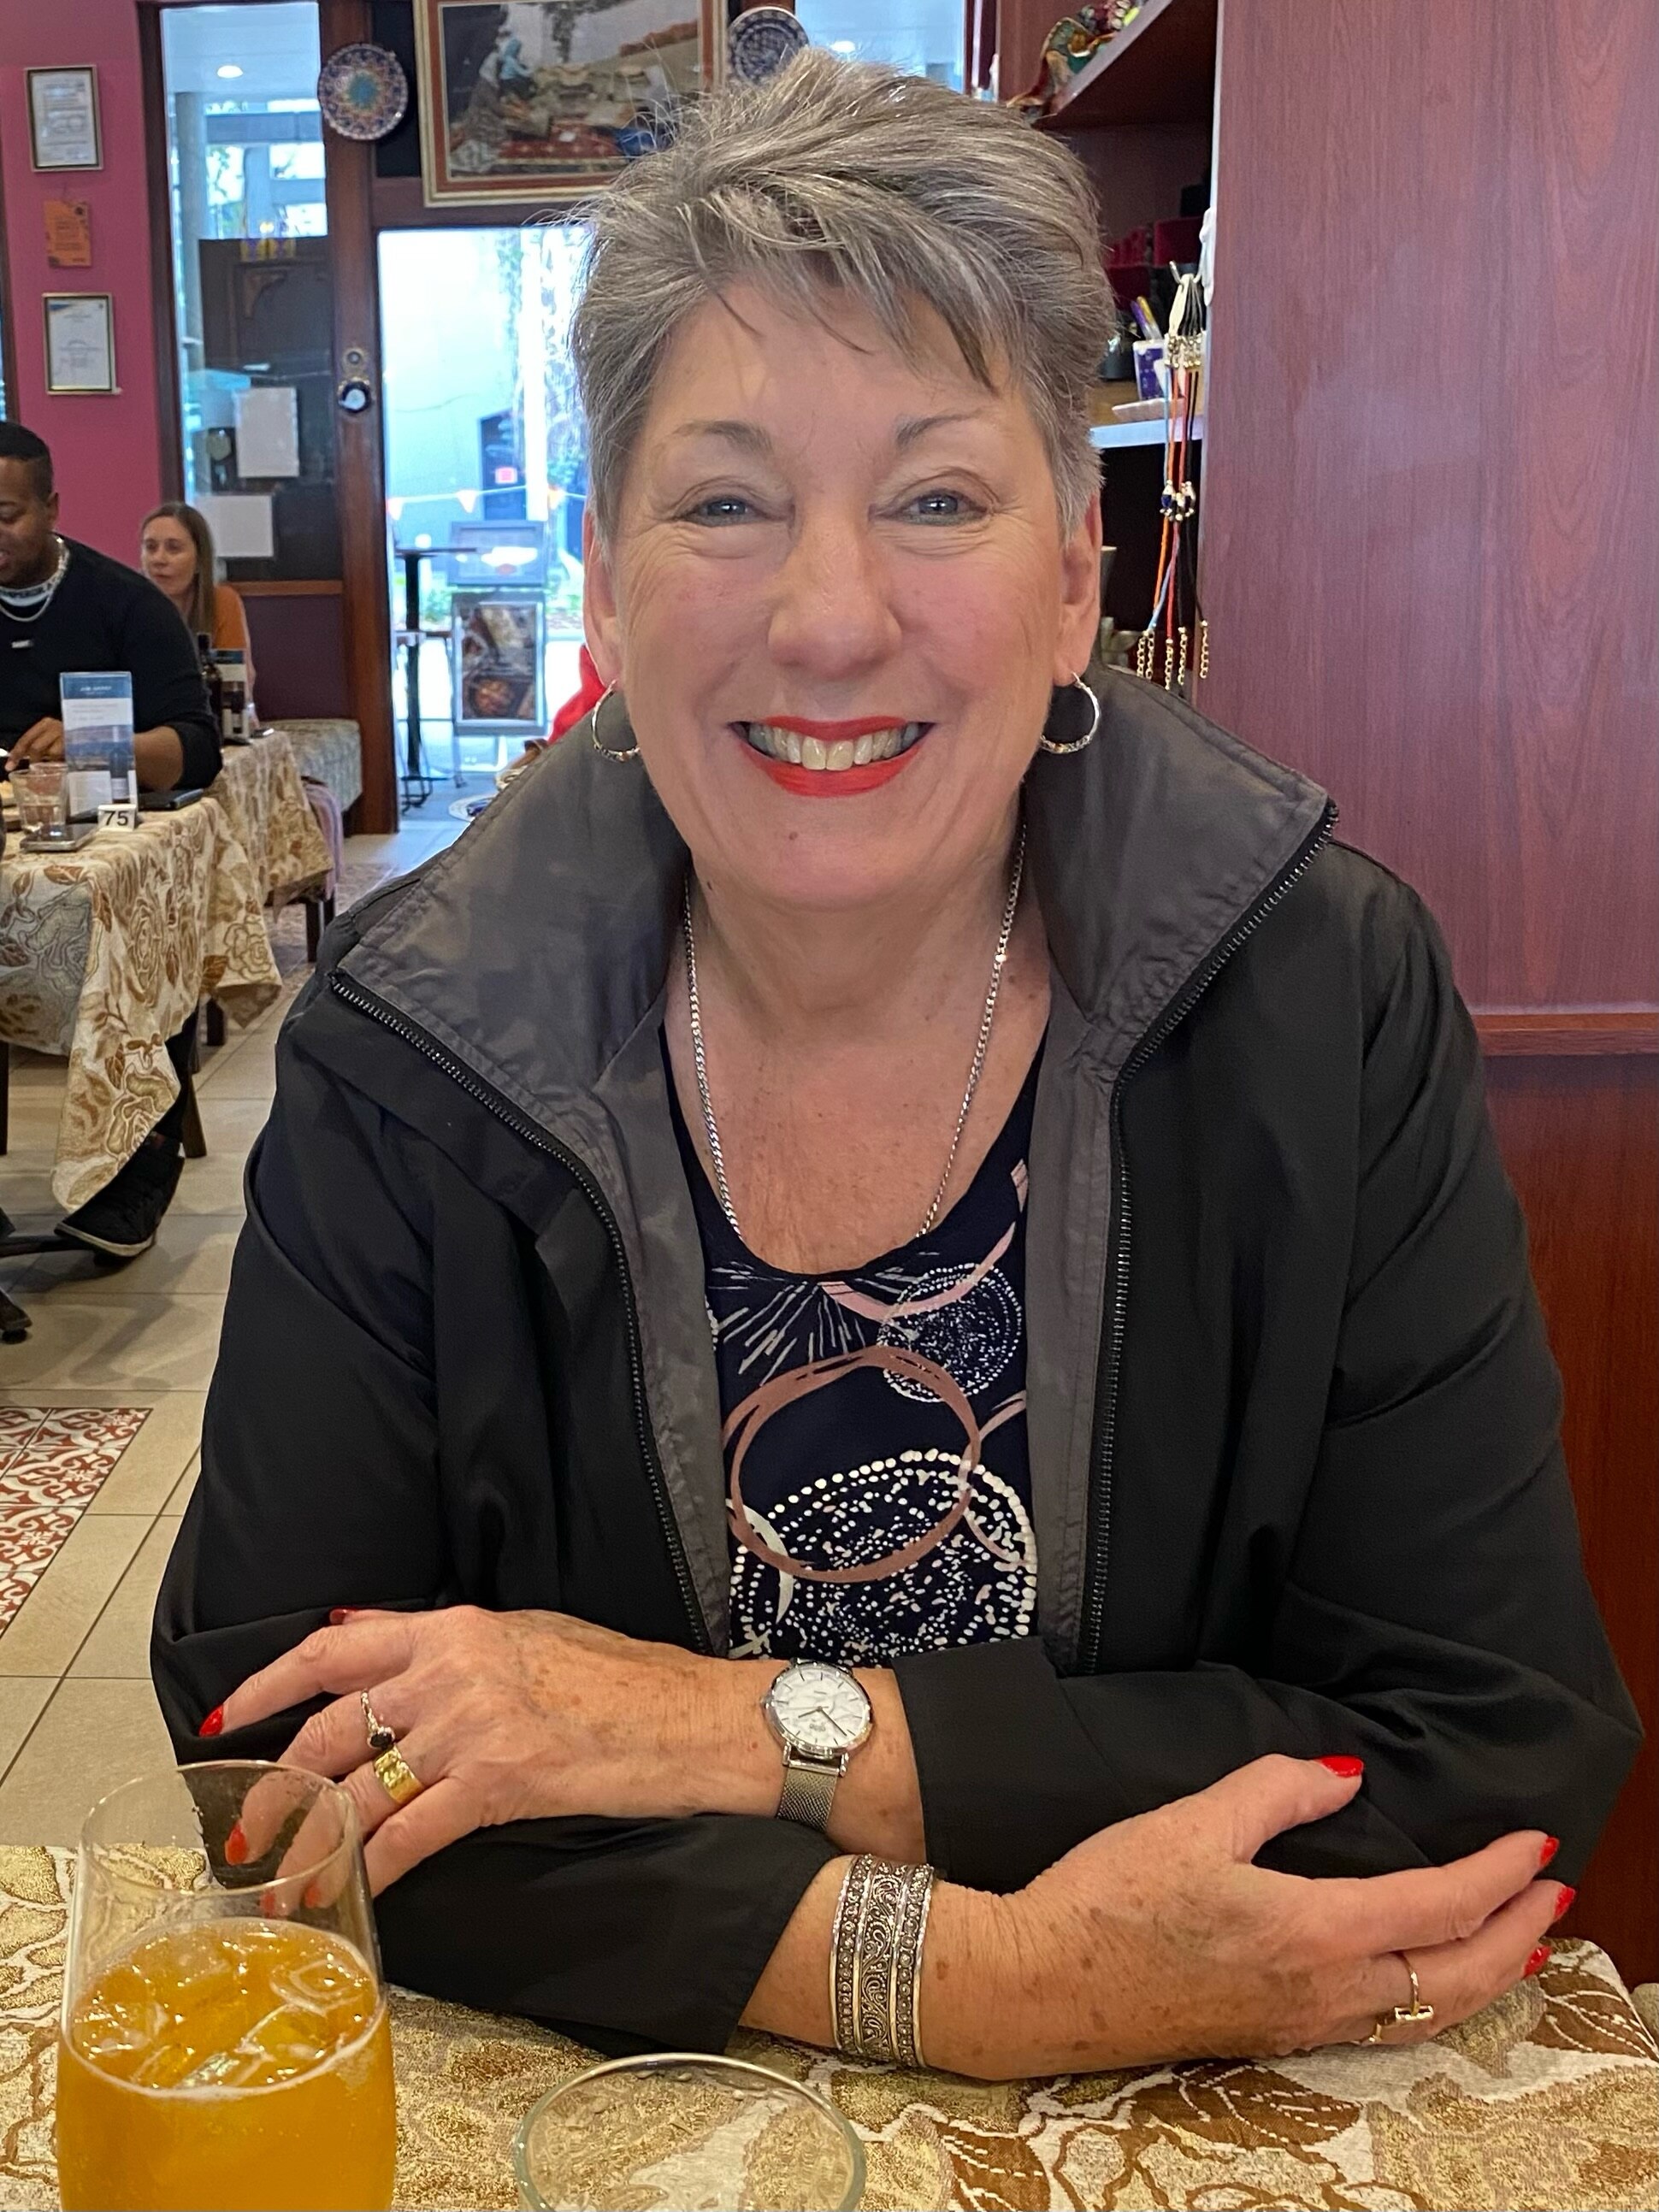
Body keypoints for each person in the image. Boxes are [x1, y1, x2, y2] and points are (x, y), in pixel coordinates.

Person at [153, 58, 1638, 2076]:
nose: (828, 616)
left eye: (937, 496)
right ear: (603, 572)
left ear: (1073, 581)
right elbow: (285, 1757)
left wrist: (720, 1726)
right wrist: (973, 1977)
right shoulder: (413, 1052)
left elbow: (1481, 1748)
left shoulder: (1318, 990)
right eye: (726, 501)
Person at [0, 422, 222, 1257]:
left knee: (135, 933)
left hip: (113, 835)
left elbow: (195, 746)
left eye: (8, 515)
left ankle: (135, 1169)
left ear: (52, 507)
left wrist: (101, 744)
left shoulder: (123, 604)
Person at [139, 500, 257, 712]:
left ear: (199, 560)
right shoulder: (127, 604)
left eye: (173, 549)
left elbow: (237, 685)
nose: (158, 559)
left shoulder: (222, 601)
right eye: (150, 547)